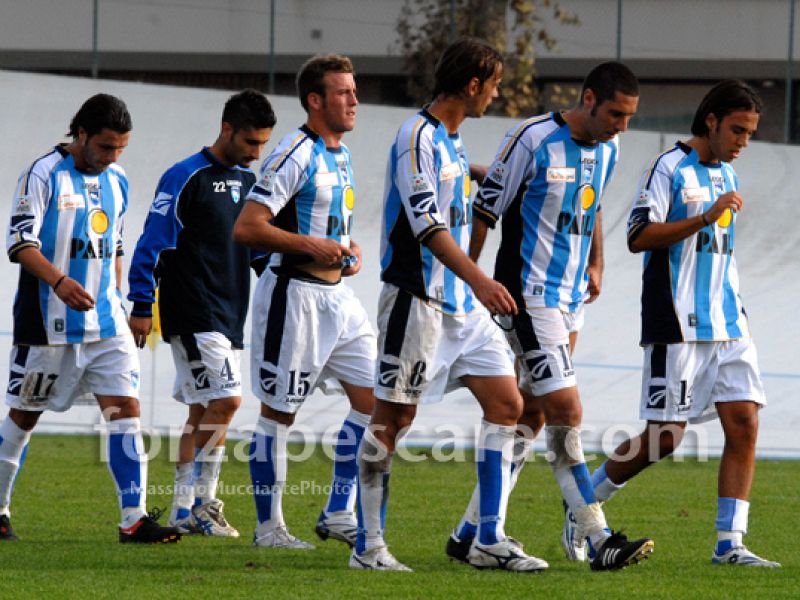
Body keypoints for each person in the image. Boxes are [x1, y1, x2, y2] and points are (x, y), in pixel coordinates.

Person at [445, 61, 655, 571]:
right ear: (587, 99)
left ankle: (468, 532)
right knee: (567, 412)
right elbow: (487, 207)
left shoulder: (610, 145)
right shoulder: (532, 138)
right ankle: (598, 534)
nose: (621, 125)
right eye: (615, 113)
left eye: (628, 117)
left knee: (534, 415)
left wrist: (597, 261)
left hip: (569, 301)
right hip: (528, 294)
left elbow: (595, 204)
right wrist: (472, 278)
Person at [350, 37, 540, 573]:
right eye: (496, 85)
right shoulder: (415, 138)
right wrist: (481, 279)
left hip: (462, 309)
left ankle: (487, 539)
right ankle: (368, 546)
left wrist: (479, 175)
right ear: (473, 84)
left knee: (509, 407)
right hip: (418, 301)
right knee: (393, 419)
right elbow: (428, 227)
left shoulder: (450, 141)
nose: (497, 95)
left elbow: (448, 196)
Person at [574, 80, 780, 568]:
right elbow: (639, 235)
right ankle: (582, 505)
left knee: (745, 423)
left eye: (749, 134)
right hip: (678, 321)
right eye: (737, 130)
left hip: (729, 321)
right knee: (666, 437)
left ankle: (730, 543)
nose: (742, 142)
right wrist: (703, 217)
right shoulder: (668, 168)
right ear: (710, 120)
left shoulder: (727, 173)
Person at [0, 93, 179, 543]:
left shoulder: (117, 179)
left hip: (106, 324)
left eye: (120, 148)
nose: (112, 156)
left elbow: (114, 244)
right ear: (80, 134)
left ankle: (133, 518)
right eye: (105, 146)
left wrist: (117, 299)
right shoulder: (42, 174)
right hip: (47, 325)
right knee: (24, 416)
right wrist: (60, 282)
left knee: (126, 411)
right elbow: (20, 244)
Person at [233, 54, 374, 550]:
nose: (354, 100)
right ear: (315, 100)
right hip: (293, 299)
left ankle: (338, 511)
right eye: (343, 92)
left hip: (340, 299)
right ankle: (269, 528)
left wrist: (346, 248)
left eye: (354, 90)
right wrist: (315, 247)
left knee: (378, 403)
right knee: (279, 413)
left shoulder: (340, 153)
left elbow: (326, 225)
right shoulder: (293, 152)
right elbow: (248, 228)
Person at [127, 89, 276, 537]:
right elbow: (154, 240)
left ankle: (183, 509)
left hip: (230, 313)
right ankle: (202, 504)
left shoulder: (250, 185)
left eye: (263, 145)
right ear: (227, 129)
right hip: (192, 310)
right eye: (250, 142)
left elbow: (256, 253)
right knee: (228, 401)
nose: (256, 153)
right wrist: (140, 303)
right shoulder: (184, 175)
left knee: (202, 411)